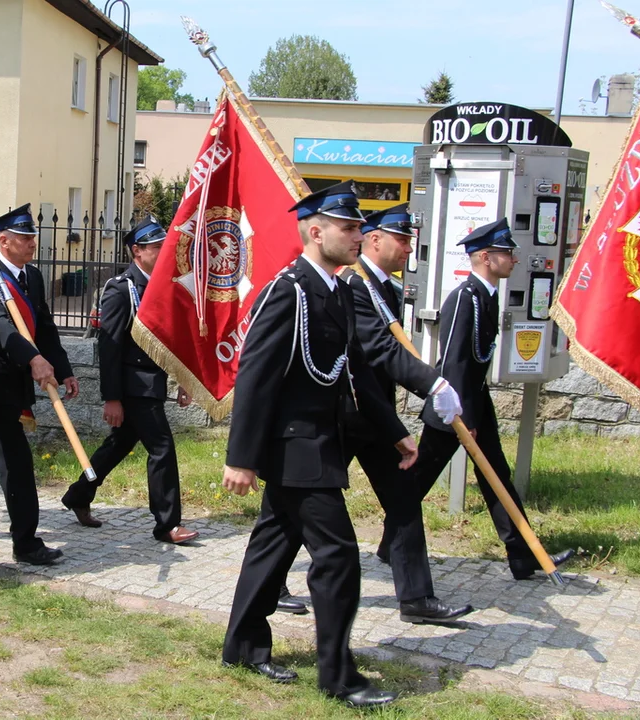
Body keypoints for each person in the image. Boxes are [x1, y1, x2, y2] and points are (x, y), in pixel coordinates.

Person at [221, 181, 416, 709]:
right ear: (316, 230)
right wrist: (240, 457)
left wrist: (393, 430)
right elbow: (256, 375)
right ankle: (340, 678)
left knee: (272, 546)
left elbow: (355, 369)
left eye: (359, 227)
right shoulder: (288, 290)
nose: (359, 236)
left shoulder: (339, 290)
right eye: (349, 227)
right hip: (295, 448)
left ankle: (241, 645)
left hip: (322, 442)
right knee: (337, 557)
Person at [395, 217, 575, 581]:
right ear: (485, 257)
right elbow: (456, 360)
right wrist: (466, 419)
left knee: (497, 476)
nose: (515, 259)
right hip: (455, 408)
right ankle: (391, 544)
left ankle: (522, 558)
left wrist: (478, 412)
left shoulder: (486, 297)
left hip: (475, 402)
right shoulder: (466, 298)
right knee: (419, 479)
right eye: (507, 253)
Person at [335, 204, 473, 623]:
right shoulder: (354, 285)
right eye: (402, 239)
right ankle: (274, 582)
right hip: (342, 414)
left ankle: (416, 598)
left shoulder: (386, 289)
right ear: (374, 240)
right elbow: (379, 347)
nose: (409, 248)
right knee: (293, 506)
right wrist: (432, 383)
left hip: (376, 416)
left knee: (403, 500)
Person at [61, 216, 199, 544]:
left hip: (152, 382)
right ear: (137, 251)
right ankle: (167, 524)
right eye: (156, 247)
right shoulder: (121, 289)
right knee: (162, 448)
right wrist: (112, 397)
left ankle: (78, 495)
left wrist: (183, 379)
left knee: (119, 445)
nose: (164, 251)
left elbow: (170, 338)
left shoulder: (162, 285)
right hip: (133, 386)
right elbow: (108, 346)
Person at [0, 203, 78, 565]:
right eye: (24, 237)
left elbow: (43, 327)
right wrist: (33, 359)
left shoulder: (32, 277)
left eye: (33, 236)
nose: (32, 243)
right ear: (3, 241)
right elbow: (0, 327)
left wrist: (63, 369)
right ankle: (26, 543)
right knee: (15, 463)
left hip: (19, 381)